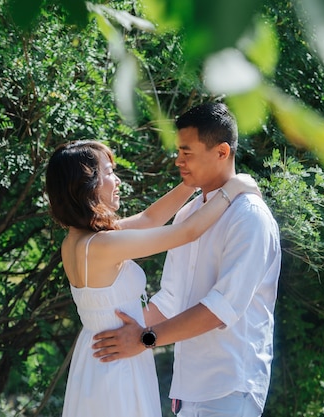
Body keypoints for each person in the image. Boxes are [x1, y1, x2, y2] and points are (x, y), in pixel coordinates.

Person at [45, 139, 261, 417]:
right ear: (86, 184)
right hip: (118, 361)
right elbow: (186, 232)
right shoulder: (101, 246)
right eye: (110, 172)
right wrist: (231, 190)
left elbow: (149, 219)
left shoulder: (78, 241)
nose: (117, 180)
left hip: (101, 356)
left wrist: (192, 182)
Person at [92, 103, 282, 417]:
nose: (178, 161)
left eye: (187, 153)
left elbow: (222, 308)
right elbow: (170, 299)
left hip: (230, 388)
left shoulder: (250, 217)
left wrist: (144, 339)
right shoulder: (190, 214)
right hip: (186, 389)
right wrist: (112, 332)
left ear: (222, 152)